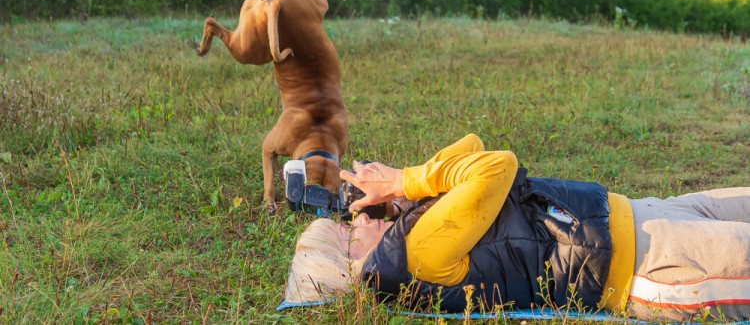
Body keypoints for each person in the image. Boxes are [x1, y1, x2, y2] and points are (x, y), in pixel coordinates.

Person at [282, 134, 750, 322]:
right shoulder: (418, 253)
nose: (357, 218)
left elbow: (472, 145)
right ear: (352, 265)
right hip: (653, 264)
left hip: (638, 214)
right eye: (346, 234)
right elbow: (496, 165)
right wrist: (408, 180)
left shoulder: (413, 229)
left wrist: (406, 189)